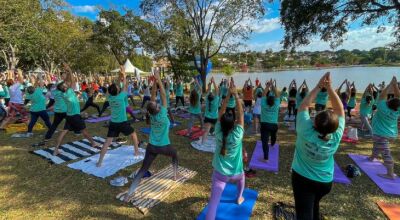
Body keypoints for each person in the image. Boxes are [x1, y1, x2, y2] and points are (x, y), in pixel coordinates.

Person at [291, 72, 345, 220]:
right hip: (324, 182)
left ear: (314, 122)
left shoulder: (304, 129)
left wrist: (319, 86)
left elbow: (304, 105)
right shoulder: (336, 136)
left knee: (304, 213)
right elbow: (340, 110)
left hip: (302, 179)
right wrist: (329, 88)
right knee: (313, 205)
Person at [119, 71, 179, 202]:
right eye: (157, 104)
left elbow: (153, 96)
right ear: (158, 108)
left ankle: (129, 194)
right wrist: (158, 79)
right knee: (174, 155)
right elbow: (162, 95)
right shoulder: (162, 113)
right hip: (163, 147)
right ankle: (175, 175)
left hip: (151, 147)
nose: (157, 102)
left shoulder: (151, 114)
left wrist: (155, 83)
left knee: (142, 170)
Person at [205, 80, 245, 220]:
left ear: (220, 122)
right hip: (236, 173)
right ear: (234, 123)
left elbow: (221, 111)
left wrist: (228, 96)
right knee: (242, 178)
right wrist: (236, 96)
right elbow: (241, 115)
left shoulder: (218, 131)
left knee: (213, 204)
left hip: (220, 174)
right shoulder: (237, 134)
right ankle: (238, 198)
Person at [97, 67, 140, 167]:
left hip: (113, 123)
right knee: (133, 134)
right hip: (122, 123)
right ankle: (136, 152)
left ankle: (100, 162)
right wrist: (124, 75)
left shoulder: (109, 97)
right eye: (117, 87)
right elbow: (125, 85)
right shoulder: (121, 96)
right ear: (117, 90)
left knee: (107, 142)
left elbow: (113, 87)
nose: (118, 87)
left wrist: (120, 76)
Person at [53, 64, 99, 156]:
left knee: (63, 132)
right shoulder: (69, 91)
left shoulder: (62, 93)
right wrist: (69, 69)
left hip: (69, 116)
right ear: (65, 88)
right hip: (75, 116)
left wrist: (66, 72)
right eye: (66, 84)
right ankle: (93, 143)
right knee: (84, 131)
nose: (67, 83)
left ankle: (56, 150)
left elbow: (65, 82)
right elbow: (72, 80)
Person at [369, 77, 400, 179]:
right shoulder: (397, 110)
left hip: (381, 134)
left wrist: (390, 84)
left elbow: (382, 95)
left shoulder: (382, 107)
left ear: (388, 103)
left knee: (386, 153)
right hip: (390, 134)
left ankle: (390, 174)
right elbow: (398, 96)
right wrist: (395, 86)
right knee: (377, 144)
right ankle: (372, 157)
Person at [260, 79, 280, 162]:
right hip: (273, 125)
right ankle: (272, 143)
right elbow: (277, 95)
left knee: (264, 142)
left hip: (264, 125)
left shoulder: (263, 104)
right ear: (274, 101)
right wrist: (273, 85)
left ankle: (266, 158)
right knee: (273, 135)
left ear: (266, 100)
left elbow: (264, 94)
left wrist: (268, 86)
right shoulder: (276, 105)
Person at [201, 77, 220, 145]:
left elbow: (208, 91)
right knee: (217, 131)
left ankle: (202, 143)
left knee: (206, 131)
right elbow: (217, 90)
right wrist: (214, 82)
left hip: (207, 117)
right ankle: (218, 143)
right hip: (214, 118)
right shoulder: (216, 100)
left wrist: (210, 84)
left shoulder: (207, 100)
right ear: (213, 96)